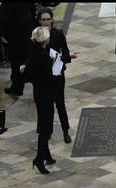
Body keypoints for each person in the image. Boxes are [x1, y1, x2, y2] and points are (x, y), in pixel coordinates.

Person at [37, 7, 75, 144]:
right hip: (43, 77)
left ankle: (66, 131)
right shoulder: (36, 35)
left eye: (48, 19)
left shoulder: (58, 34)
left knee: (60, 104)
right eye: (43, 20)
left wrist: (66, 58)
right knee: (43, 106)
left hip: (57, 75)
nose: (46, 22)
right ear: (39, 21)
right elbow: (33, 54)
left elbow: (65, 52)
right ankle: (43, 131)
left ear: (52, 20)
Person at [26, 27, 58, 175]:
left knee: (44, 124)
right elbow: (50, 78)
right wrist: (57, 72)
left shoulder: (33, 52)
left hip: (39, 92)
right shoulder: (44, 57)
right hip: (46, 93)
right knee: (46, 128)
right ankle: (39, 158)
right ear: (45, 39)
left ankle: (46, 155)